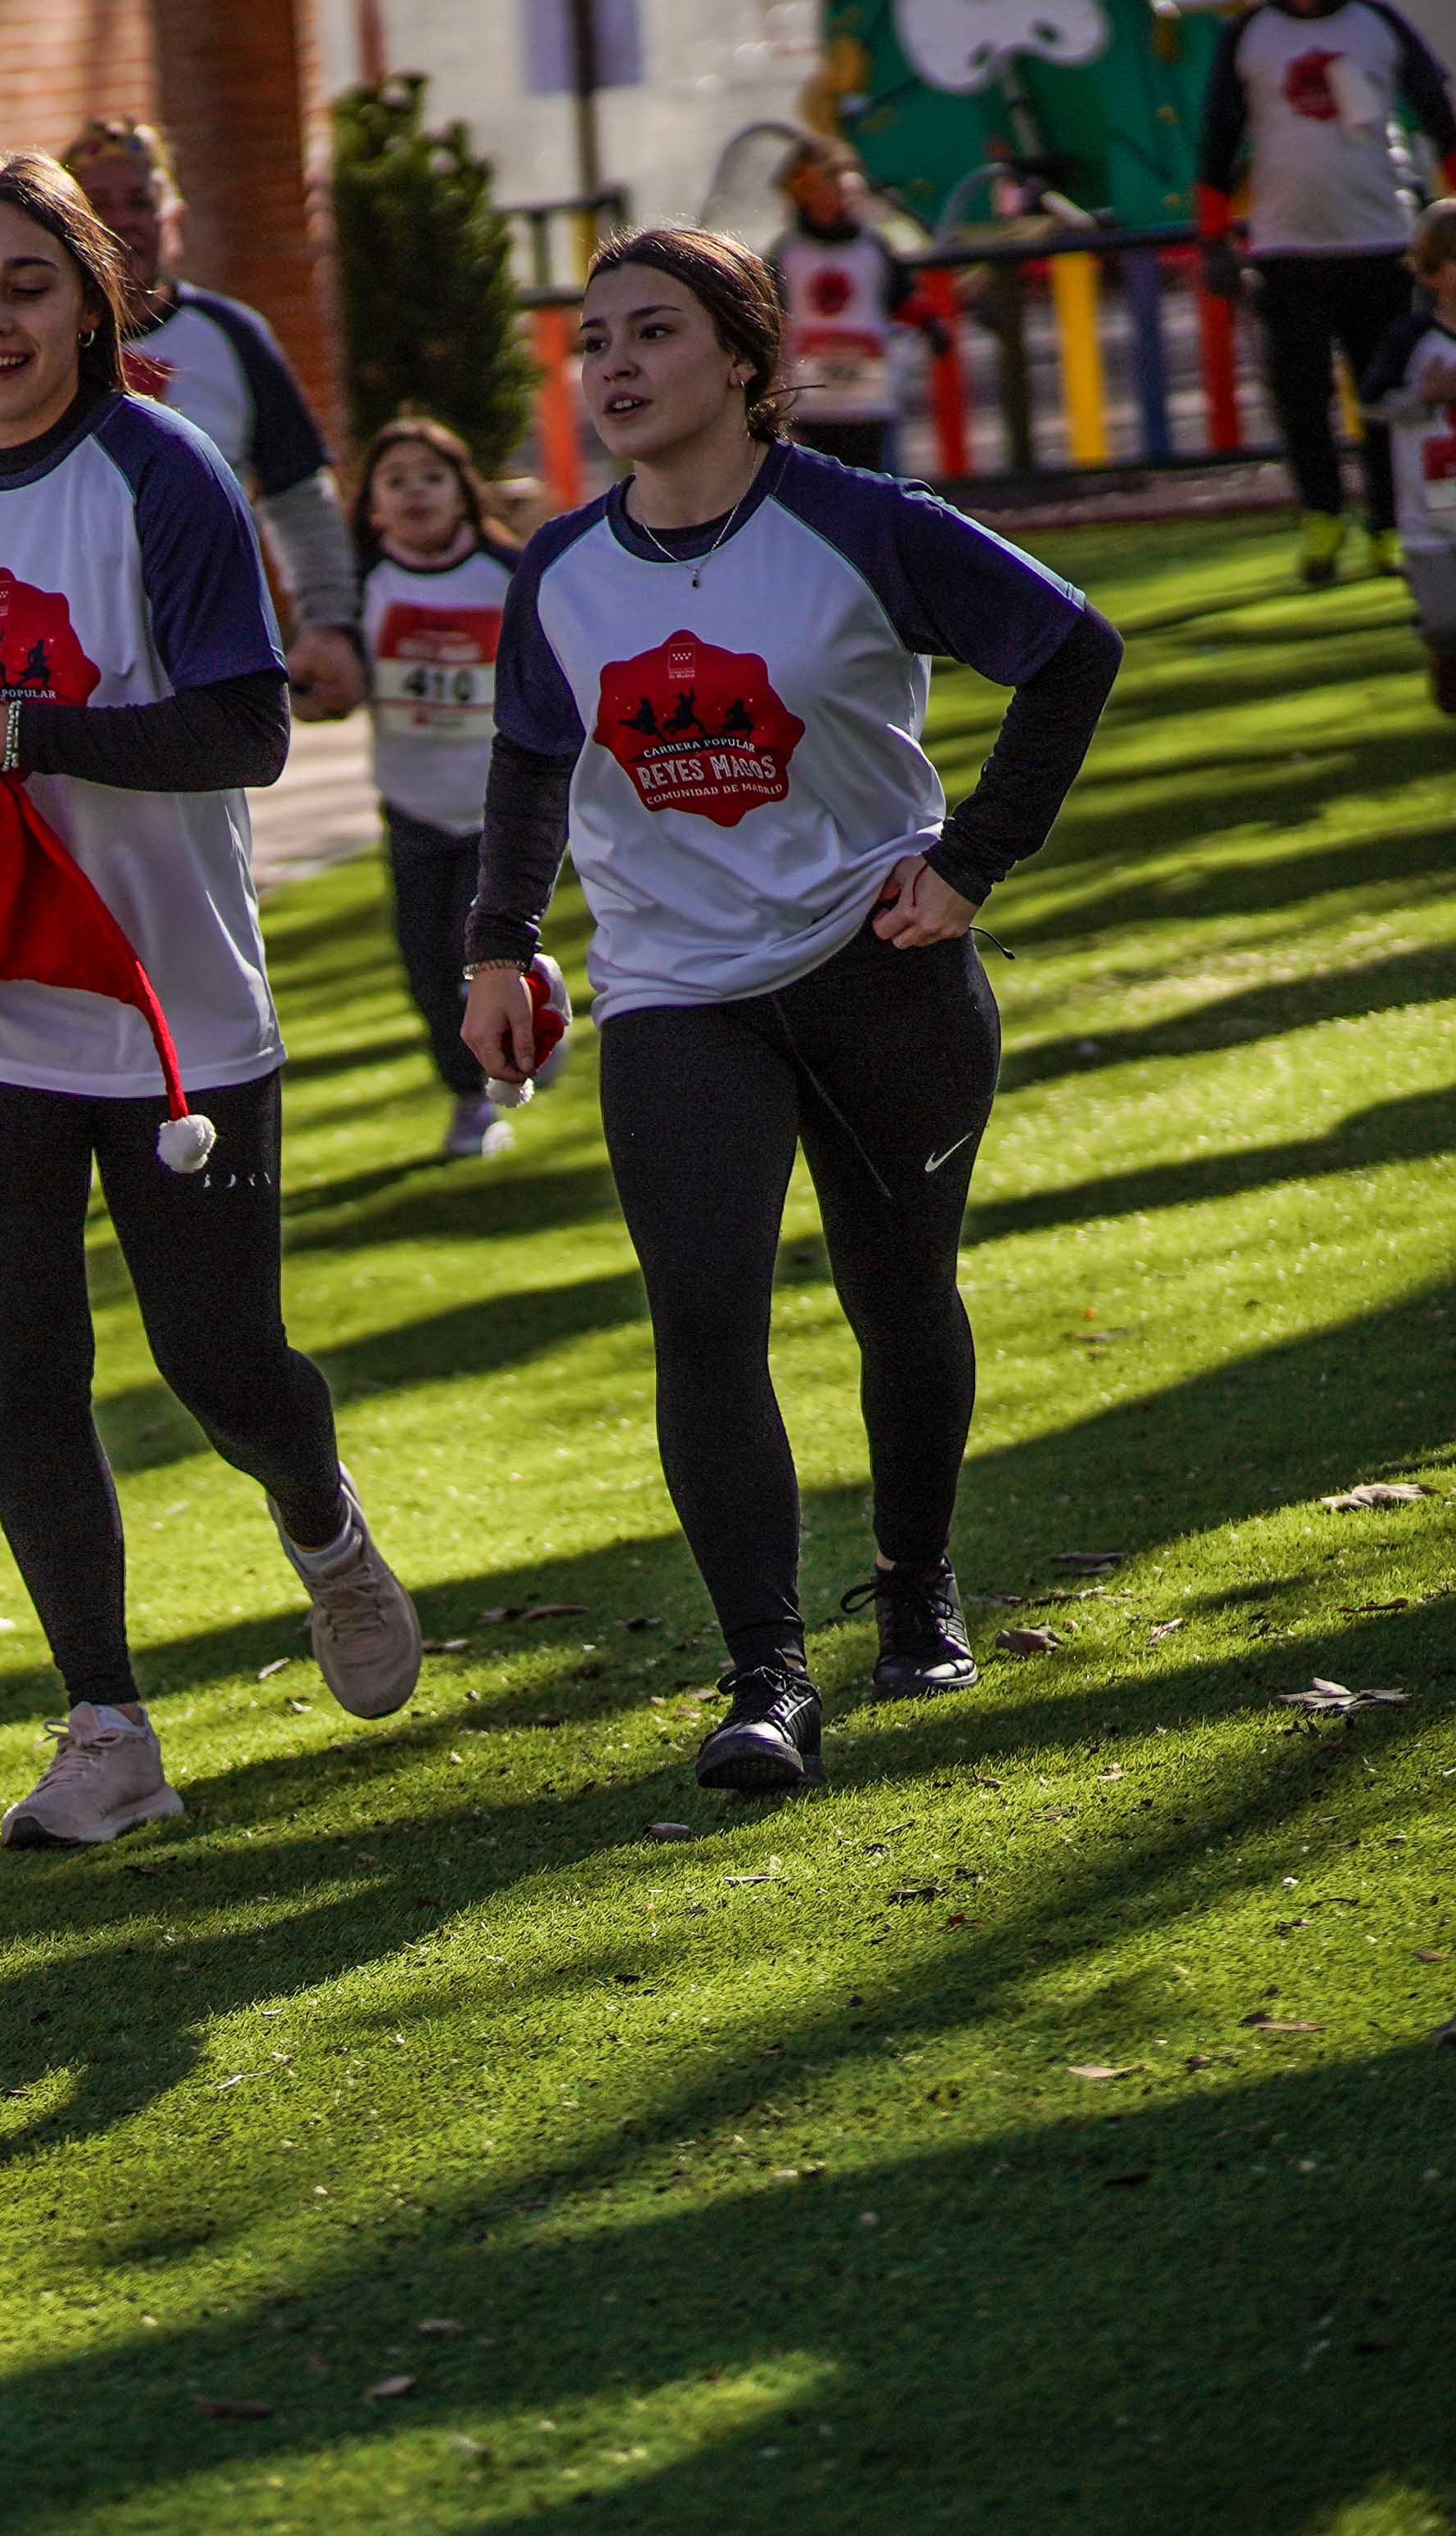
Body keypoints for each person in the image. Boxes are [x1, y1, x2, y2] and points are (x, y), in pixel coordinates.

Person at [0, 156, 423, 1850]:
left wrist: (21, 733)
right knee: (26, 1369)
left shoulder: (166, 474)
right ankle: (106, 1724)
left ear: (90, 301)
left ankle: (323, 1525)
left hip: (175, 1013)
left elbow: (248, 733)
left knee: (223, 1361)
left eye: (25, 286)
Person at [465, 227, 1122, 1795]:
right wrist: (500, 946)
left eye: (655, 333)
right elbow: (530, 761)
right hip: (679, 995)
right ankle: (764, 1674)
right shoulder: (559, 569)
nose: (615, 365)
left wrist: (969, 865)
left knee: (900, 1301)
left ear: (748, 364)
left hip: (880, 967)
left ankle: (915, 1584)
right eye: (595, 342)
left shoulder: (860, 524)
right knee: (703, 1320)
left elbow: (1072, 651)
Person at [1197, 0, 1456, 585]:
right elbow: (1214, 147)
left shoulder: (1379, 25)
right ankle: (1323, 519)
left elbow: (1440, 123)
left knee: (1384, 397)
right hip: (1287, 248)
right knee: (1299, 397)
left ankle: (1388, 527)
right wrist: (1213, 242)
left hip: (1383, 244)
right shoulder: (1249, 36)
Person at [61, 118, 368, 719]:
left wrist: (329, 625)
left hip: (204, 659)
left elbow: (299, 495)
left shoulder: (232, 336)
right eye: (100, 205)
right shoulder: (37, 346)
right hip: (72, 658)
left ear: (172, 218)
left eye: (140, 202)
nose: (123, 222)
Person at [352, 413, 537, 1158]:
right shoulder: (362, 582)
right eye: (396, 482)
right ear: (373, 506)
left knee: (478, 955)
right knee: (425, 967)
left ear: (464, 492)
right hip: (411, 806)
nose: (416, 493)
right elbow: (330, 676)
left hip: (501, 807)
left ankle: (504, 1068)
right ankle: (469, 1095)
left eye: (431, 477)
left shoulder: (507, 571)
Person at [1359, 196, 1456, 717]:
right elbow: (1368, 404)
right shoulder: (1413, 340)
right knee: (1448, 618)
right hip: (1432, 518)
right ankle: (1447, 654)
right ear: (1431, 275)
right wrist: (1426, 397)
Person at [766, 144, 914, 475]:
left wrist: (931, 324)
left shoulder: (873, 248)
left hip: (869, 397)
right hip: (810, 401)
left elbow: (903, 299)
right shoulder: (789, 253)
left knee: (875, 485)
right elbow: (768, 316)